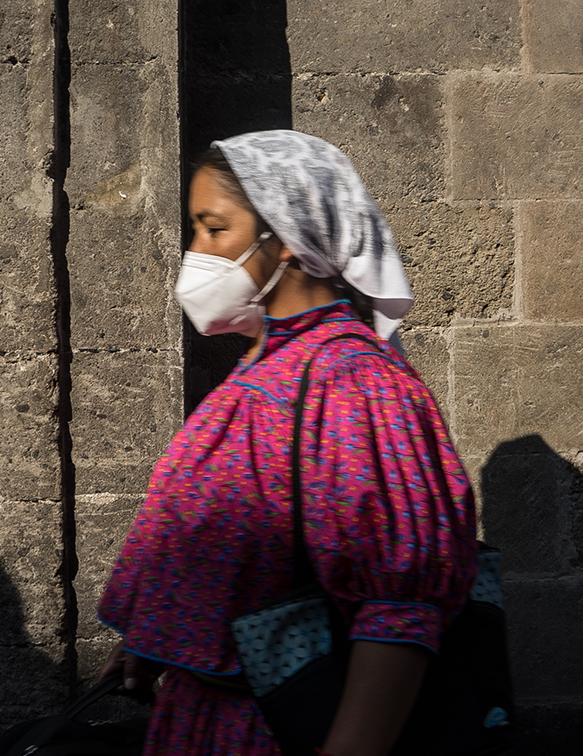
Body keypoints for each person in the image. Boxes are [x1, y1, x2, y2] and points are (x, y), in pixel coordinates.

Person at [97, 130, 479, 756]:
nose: (196, 251)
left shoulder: (355, 385)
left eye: (214, 229)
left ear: (290, 239)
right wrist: (160, 635)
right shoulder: (263, 369)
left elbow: (398, 609)